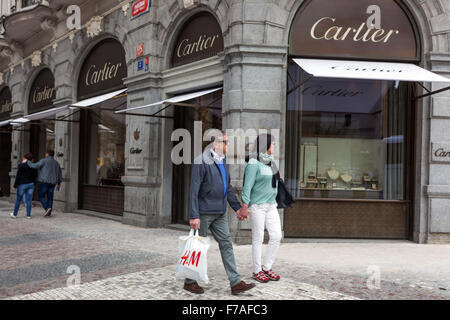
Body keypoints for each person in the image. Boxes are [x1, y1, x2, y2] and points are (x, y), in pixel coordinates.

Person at [184, 130, 255, 295]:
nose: (227, 144)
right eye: (224, 142)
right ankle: (189, 281)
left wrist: (237, 208)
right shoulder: (200, 161)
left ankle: (235, 282)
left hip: (220, 212)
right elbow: (193, 191)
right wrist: (193, 215)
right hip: (203, 213)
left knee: (226, 244)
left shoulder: (224, 161)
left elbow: (227, 187)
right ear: (214, 144)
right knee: (197, 247)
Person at [241, 133, 282, 283]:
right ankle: (257, 270)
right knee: (258, 238)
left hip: (271, 205)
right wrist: (245, 206)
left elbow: (276, 181)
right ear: (266, 145)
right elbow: (247, 186)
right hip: (257, 206)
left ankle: (267, 267)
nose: (275, 146)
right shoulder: (253, 163)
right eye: (273, 143)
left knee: (277, 235)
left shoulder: (271, 162)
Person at [26, 150, 62, 217]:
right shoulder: (56, 163)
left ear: (47, 154)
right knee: (50, 198)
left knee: (41, 196)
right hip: (53, 183)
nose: (45, 154)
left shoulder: (44, 160)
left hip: (44, 182)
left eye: (45, 153)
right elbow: (59, 173)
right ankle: (49, 212)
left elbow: (35, 166)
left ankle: (46, 208)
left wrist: (28, 162)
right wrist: (59, 183)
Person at [10, 153, 37, 219]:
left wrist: (15, 185)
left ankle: (14, 214)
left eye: (23, 157)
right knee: (29, 200)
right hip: (31, 184)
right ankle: (28, 215)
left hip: (22, 184)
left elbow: (18, 176)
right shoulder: (33, 166)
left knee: (18, 200)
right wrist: (33, 183)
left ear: (25, 158)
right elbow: (35, 176)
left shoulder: (21, 165)